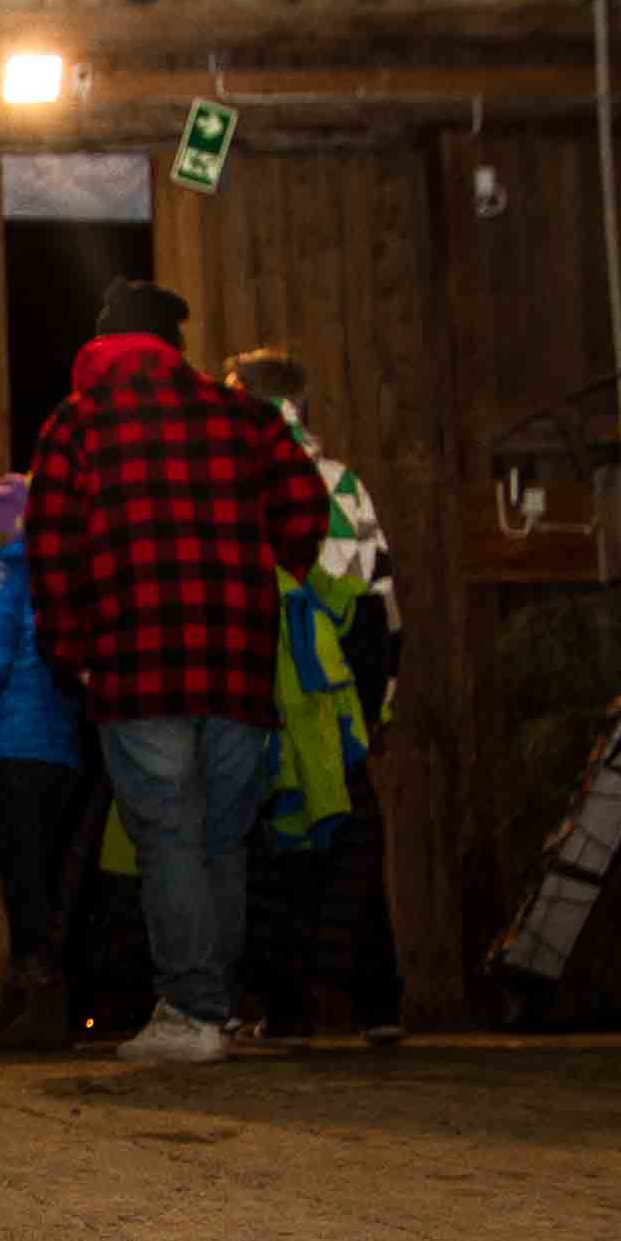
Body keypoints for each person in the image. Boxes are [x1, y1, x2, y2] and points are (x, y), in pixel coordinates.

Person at [27, 281, 328, 1066]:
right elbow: (307, 508)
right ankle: (216, 1008)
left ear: (103, 345)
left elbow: (51, 548)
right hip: (237, 663)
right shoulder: (243, 416)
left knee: (167, 834)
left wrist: (71, 649)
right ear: (174, 346)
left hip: (136, 662)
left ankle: (191, 1009)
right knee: (224, 838)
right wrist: (263, 569)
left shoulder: (76, 422)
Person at [223, 347, 407, 1046]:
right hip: (348, 673)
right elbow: (381, 596)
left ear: (248, 397)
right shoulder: (345, 483)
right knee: (354, 833)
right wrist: (378, 699)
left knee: (278, 840)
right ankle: (377, 1001)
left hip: (280, 669)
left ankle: (287, 1005)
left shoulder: (243, 480)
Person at [0, 473, 85, 1051]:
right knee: (48, 882)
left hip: (9, 746)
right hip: (61, 749)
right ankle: (33, 1004)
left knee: (22, 882)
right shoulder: (66, 578)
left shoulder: (1, 573)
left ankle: (38, 1008)